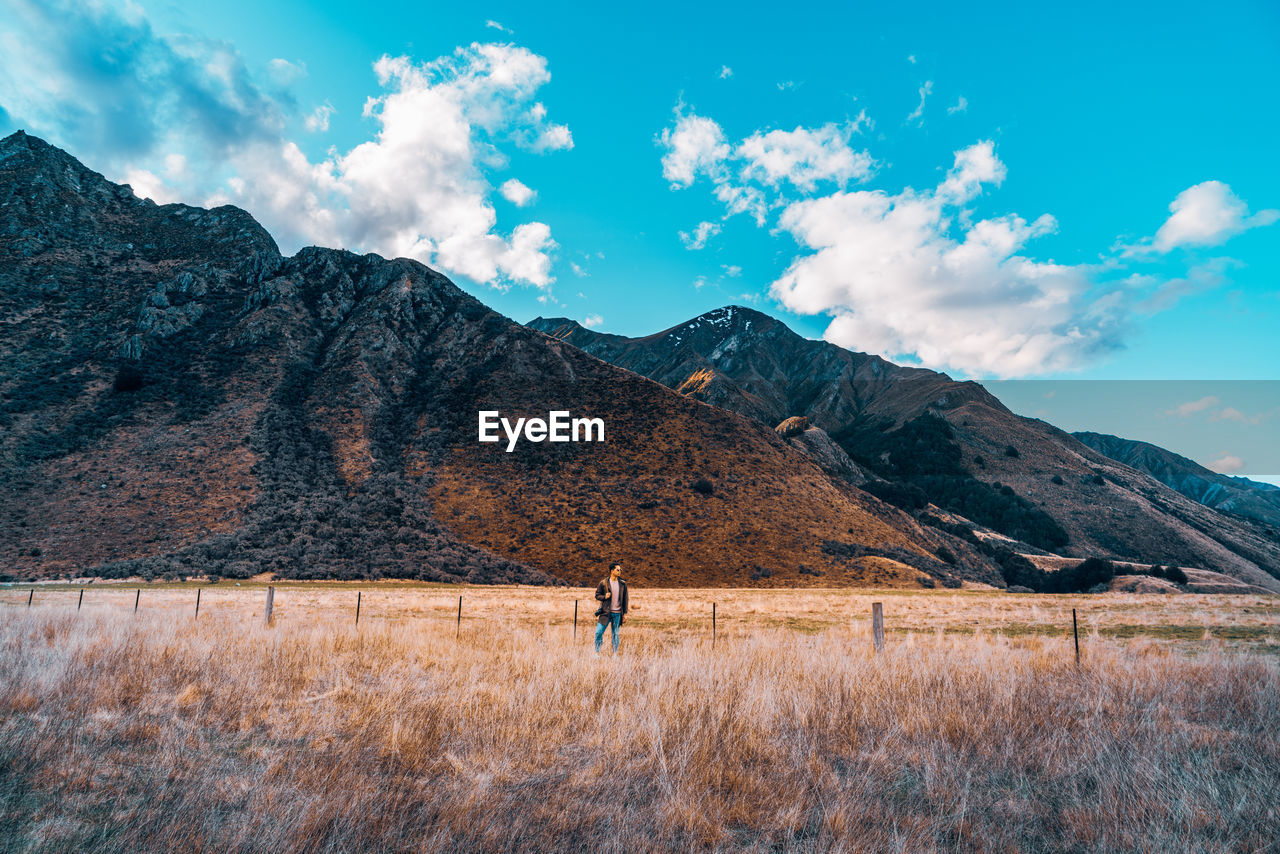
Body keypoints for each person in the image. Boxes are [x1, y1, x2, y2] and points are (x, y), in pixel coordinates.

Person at [594, 562, 629, 654]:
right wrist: (604, 596)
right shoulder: (603, 583)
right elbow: (597, 595)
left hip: (617, 614)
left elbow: (625, 599)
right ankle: (597, 652)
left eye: (620, 570)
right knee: (598, 633)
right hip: (605, 613)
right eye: (618, 570)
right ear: (612, 571)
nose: (620, 571)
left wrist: (625, 614)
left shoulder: (622, 584)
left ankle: (614, 654)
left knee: (615, 634)